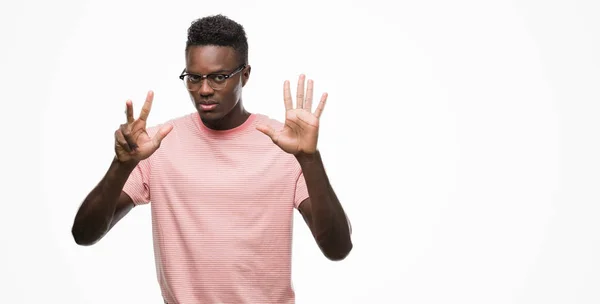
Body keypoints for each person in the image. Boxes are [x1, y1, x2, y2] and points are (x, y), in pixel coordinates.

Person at [71, 14, 352, 304]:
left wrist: (310, 159)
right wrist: (121, 166)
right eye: (194, 77)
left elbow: (338, 247)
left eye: (219, 77)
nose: (204, 90)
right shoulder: (155, 145)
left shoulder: (284, 145)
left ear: (245, 74)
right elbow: (84, 233)